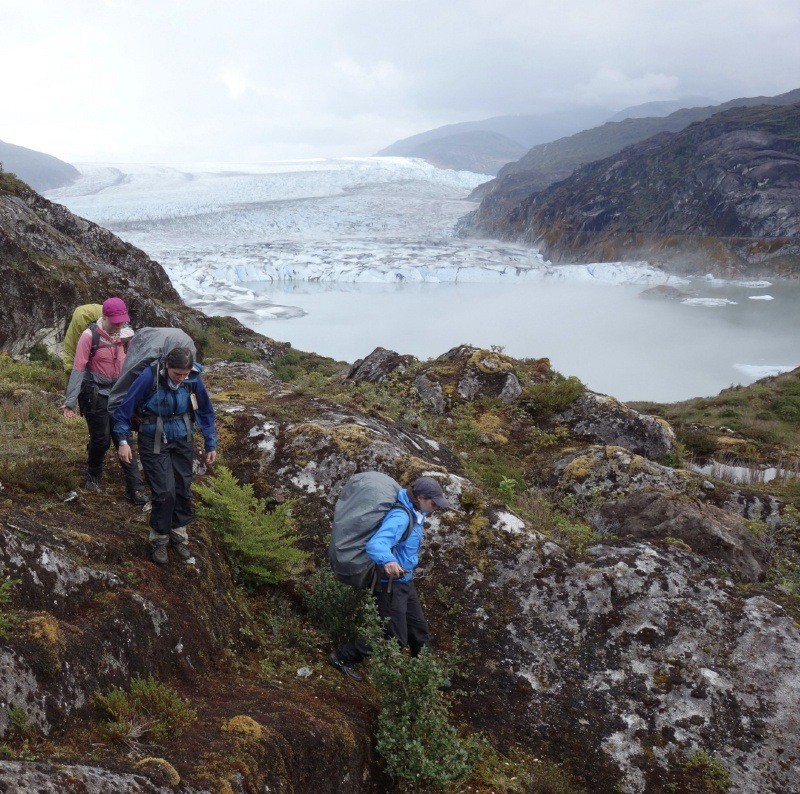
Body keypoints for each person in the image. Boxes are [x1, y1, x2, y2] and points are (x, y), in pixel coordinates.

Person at [328, 476, 451, 681]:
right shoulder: (400, 517)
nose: (436, 507)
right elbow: (377, 545)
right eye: (434, 503)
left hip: (405, 582)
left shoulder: (416, 511)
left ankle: (426, 675)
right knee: (392, 637)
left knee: (418, 628)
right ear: (420, 497)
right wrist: (389, 560)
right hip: (391, 585)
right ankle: (343, 657)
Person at [113, 347, 217, 565]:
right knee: (164, 492)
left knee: (182, 488)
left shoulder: (193, 379)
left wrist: (210, 442)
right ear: (167, 366)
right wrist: (123, 441)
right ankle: (159, 538)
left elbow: (205, 410)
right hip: (154, 440)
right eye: (177, 374)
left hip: (183, 438)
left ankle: (179, 534)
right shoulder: (149, 377)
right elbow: (123, 410)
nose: (181, 379)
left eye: (185, 374)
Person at [62, 297, 147, 503]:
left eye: (123, 321)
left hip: (120, 396)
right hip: (95, 396)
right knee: (101, 440)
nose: (120, 325)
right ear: (104, 317)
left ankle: (135, 489)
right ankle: (93, 478)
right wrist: (70, 402)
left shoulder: (127, 336)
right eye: (116, 321)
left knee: (124, 439)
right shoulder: (88, 336)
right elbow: (79, 368)